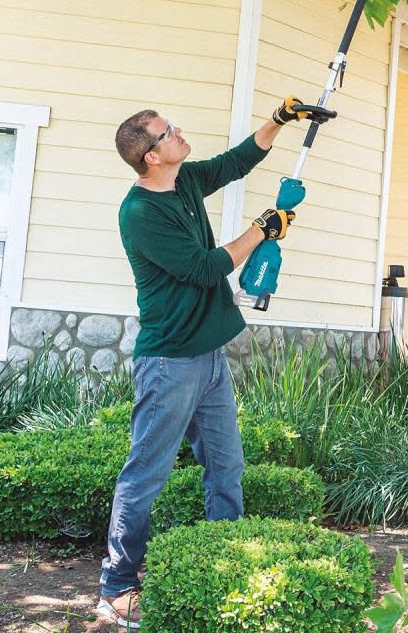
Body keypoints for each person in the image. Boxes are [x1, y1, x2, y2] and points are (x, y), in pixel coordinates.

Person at [97, 97, 308, 628]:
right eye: (167, 131)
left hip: (208, 356)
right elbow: (204, 267)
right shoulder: (140, 213)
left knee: (226, 465)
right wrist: (262, 227)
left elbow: (236, 162)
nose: (178, 132)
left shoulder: (185, 180)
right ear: (150, 156)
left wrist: (278, 121)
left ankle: (224, 557)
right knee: (146, 473)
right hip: (169, 362)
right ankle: (116, 586)